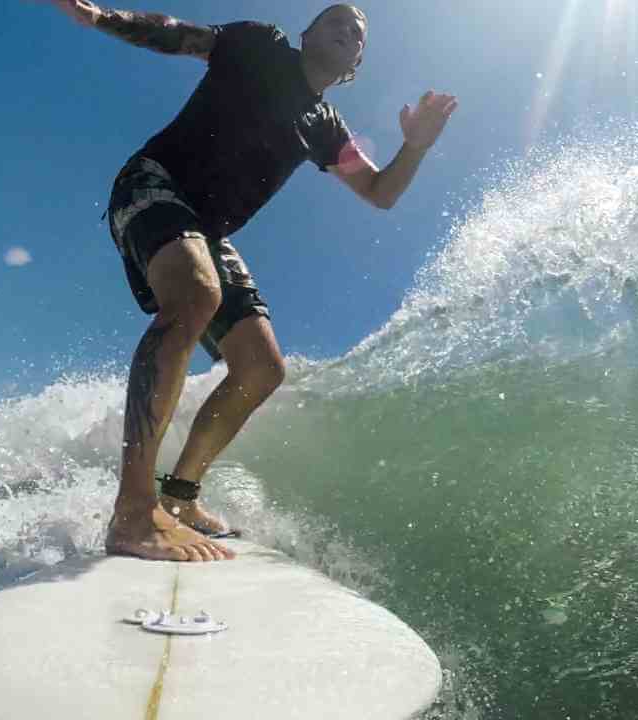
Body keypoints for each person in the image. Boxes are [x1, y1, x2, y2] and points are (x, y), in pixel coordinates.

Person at [49, 2, 458, 562]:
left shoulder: (325, 128)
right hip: (154, 182)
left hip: (208, 231)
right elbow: (179, 36)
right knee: (196, 293)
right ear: (307, 33)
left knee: (262, 367)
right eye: (336, 21)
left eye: (357, 34)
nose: (347, 32)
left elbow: (380, 192)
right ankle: (133, 511)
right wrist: (99, 17)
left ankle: (179, 497)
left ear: (356, 64)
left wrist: (415, 146)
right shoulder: (259, 46)